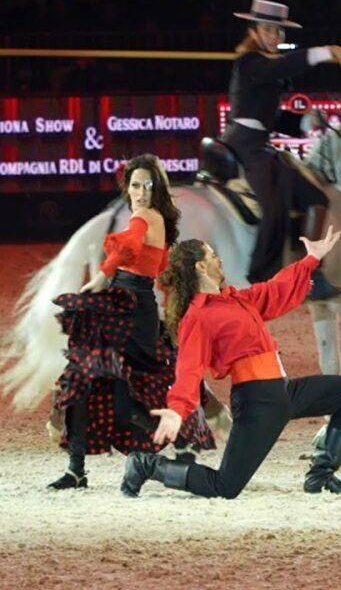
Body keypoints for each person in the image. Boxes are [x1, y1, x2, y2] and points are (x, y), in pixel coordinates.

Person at [121, 226, 341, 499]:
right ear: (201, 268)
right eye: (213, 256)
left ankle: (320, 476)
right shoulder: (198, 316)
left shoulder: (236, 299)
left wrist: (311, 259)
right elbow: (189, 369)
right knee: (225, 487)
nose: (220, 261)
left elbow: (275, 291)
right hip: (257, 402)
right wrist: (177, 410)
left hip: (285, 392)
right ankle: (146, 464)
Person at [48, 154, 215, 490]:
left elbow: (130, 245)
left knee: (121, 397)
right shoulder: (158, 219)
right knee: (85, 384)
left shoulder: (145, 217)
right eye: (135, 185)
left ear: (157, 189)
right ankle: (77, 469)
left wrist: (101, 276)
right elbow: (156, 263)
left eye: (147, 186)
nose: (139, 192)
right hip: (122, 306)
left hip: (132, 309)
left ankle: (172, 443)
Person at [221, 0, 341, 299]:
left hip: (261, 144)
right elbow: (286, 64)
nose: (274, 36)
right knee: (272, 205)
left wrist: (306, 122)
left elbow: (273, 117)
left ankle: (308, 274)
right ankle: (258, 277)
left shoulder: (268, 67)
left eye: (278, 32)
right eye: (268, 30)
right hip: (244, 145)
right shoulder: (249, 62)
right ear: (254, 31)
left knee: (316, 197)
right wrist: (329, 51)